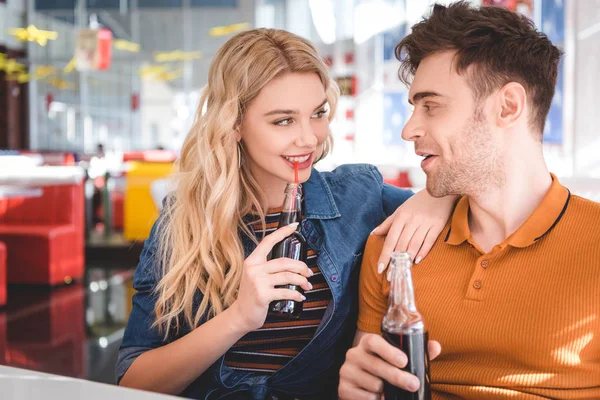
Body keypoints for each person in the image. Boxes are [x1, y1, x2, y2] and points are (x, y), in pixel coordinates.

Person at [116, 28, 456, 399]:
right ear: (234, 125)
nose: (309, 138)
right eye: (283, 121)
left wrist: (437, 197)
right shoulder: (182, 221)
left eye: (318, 114)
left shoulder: (358, 196)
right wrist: (239, 318)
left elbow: (473, 195)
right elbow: (133, 382)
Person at [338, 2, 600, 399]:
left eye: (431, 105)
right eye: (413, 108)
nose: (409, 129)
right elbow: (372, 380)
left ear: (508, 106)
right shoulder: (395, 248)